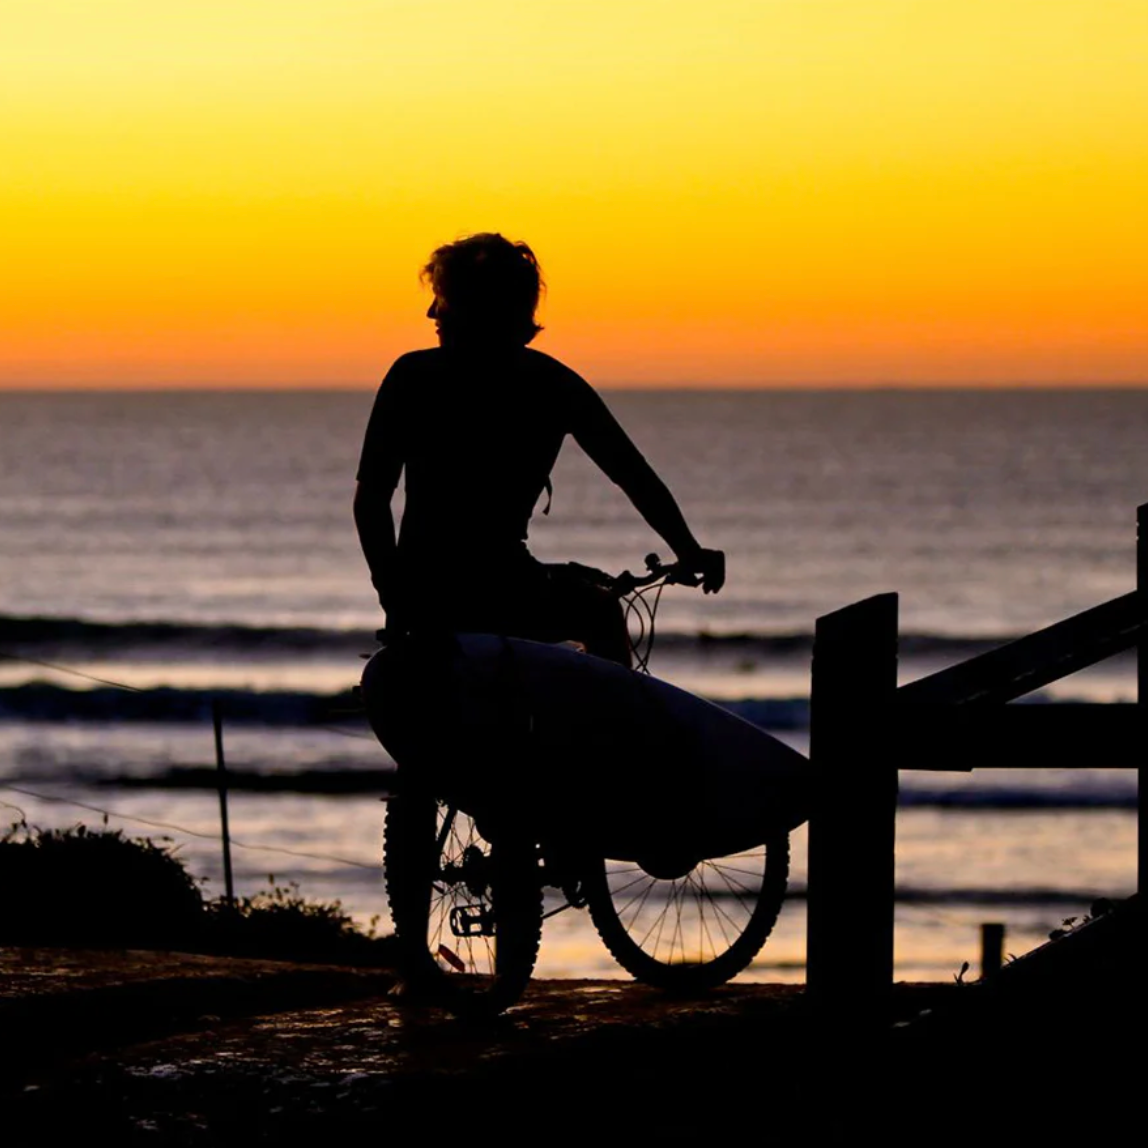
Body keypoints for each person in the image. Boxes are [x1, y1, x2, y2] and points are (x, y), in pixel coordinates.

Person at [354, 233, 724, 666]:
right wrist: (688, 550)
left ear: (473, 307)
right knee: (600, 612)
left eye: (442, 298)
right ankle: (618, 730)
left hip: (435, 595)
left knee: (584, 587)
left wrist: (398, 600)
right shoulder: (554, 385)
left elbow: (371, 503)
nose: (431, 312)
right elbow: (633, 475)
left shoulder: (411, 377)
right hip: (505, 588)